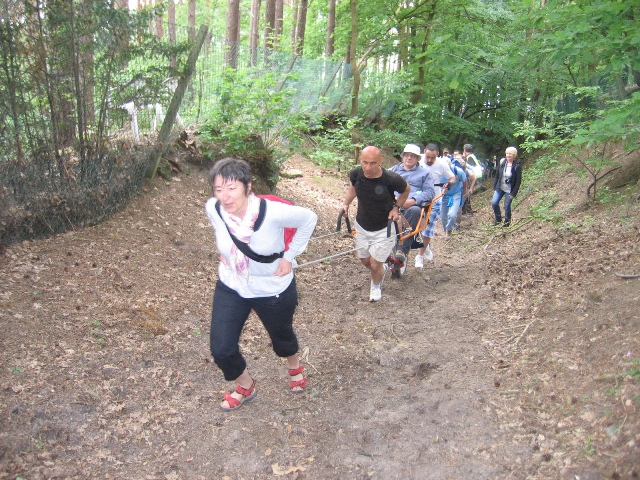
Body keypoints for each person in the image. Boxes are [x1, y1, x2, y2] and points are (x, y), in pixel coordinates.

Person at [205, 158, 318, 412]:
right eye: (219, 189)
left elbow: (309, 219)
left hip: (272, 287)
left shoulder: (273, 213)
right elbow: (220, 232)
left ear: (248, 186)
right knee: (221, 349)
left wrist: (289, 257)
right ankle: (245, 385)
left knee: (282, 335)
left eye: (232, 188)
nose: (225, 196)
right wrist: (226, 251)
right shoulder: (213, 208)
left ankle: (294, 366)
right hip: (233, 284)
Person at [341, 146, 410, 301]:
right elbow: (353, 188)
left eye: (373, 163)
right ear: (360, 160)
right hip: (362, 225)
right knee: (365, 261)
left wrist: (396, 208)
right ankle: (381, 268)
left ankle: (376, 286)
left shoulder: (391, 179)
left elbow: (406, 190)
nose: (368, 167)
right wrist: (346, 203)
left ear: (380, 162)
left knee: (374, 264)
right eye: (365, 162)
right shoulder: (355, 174)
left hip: (384, 227)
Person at [389, 144, 435, 269]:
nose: (409, 158)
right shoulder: (391, 171)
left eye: (413, 156)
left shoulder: (425, 174)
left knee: (415, 211)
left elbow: (430, 192)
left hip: (410, 205)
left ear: (418, 159)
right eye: (407, 155)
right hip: (391, 203)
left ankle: (402, 250)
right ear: (403, 156)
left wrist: (414, 200)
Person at [417, 143, 455, 265]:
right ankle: (425, 245)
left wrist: (448, 184)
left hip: (434, 199)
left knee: (428, 228)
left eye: (432, 158)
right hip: (417, 197)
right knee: (415, 226)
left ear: (437, 155)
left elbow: (452, 178)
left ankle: (420, 256)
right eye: (427, 157)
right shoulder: (417, 160)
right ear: (424, 152)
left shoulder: (442, 164)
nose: (429, 160)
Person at [492, 146, 522, 227]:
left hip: (509, 189)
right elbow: (497, 176)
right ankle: (498, 219)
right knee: (494, 203)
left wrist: (513, 193)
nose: (508, 155)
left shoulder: (517, 166)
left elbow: (518, 181)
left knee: (507, 206)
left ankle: (507, 223)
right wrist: (495, 187)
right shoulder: (502, 163)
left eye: (510, 154)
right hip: (500, 187)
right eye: (507, 153)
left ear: (514, 155)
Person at [441, 153, 467, 238]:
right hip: (443, 195)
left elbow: (464, 180)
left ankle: (449, 230)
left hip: (456, 194)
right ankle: (446, 230)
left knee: (452, 215)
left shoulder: (457, 171)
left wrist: (465, 192)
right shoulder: (438, 171)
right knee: (443, 216)